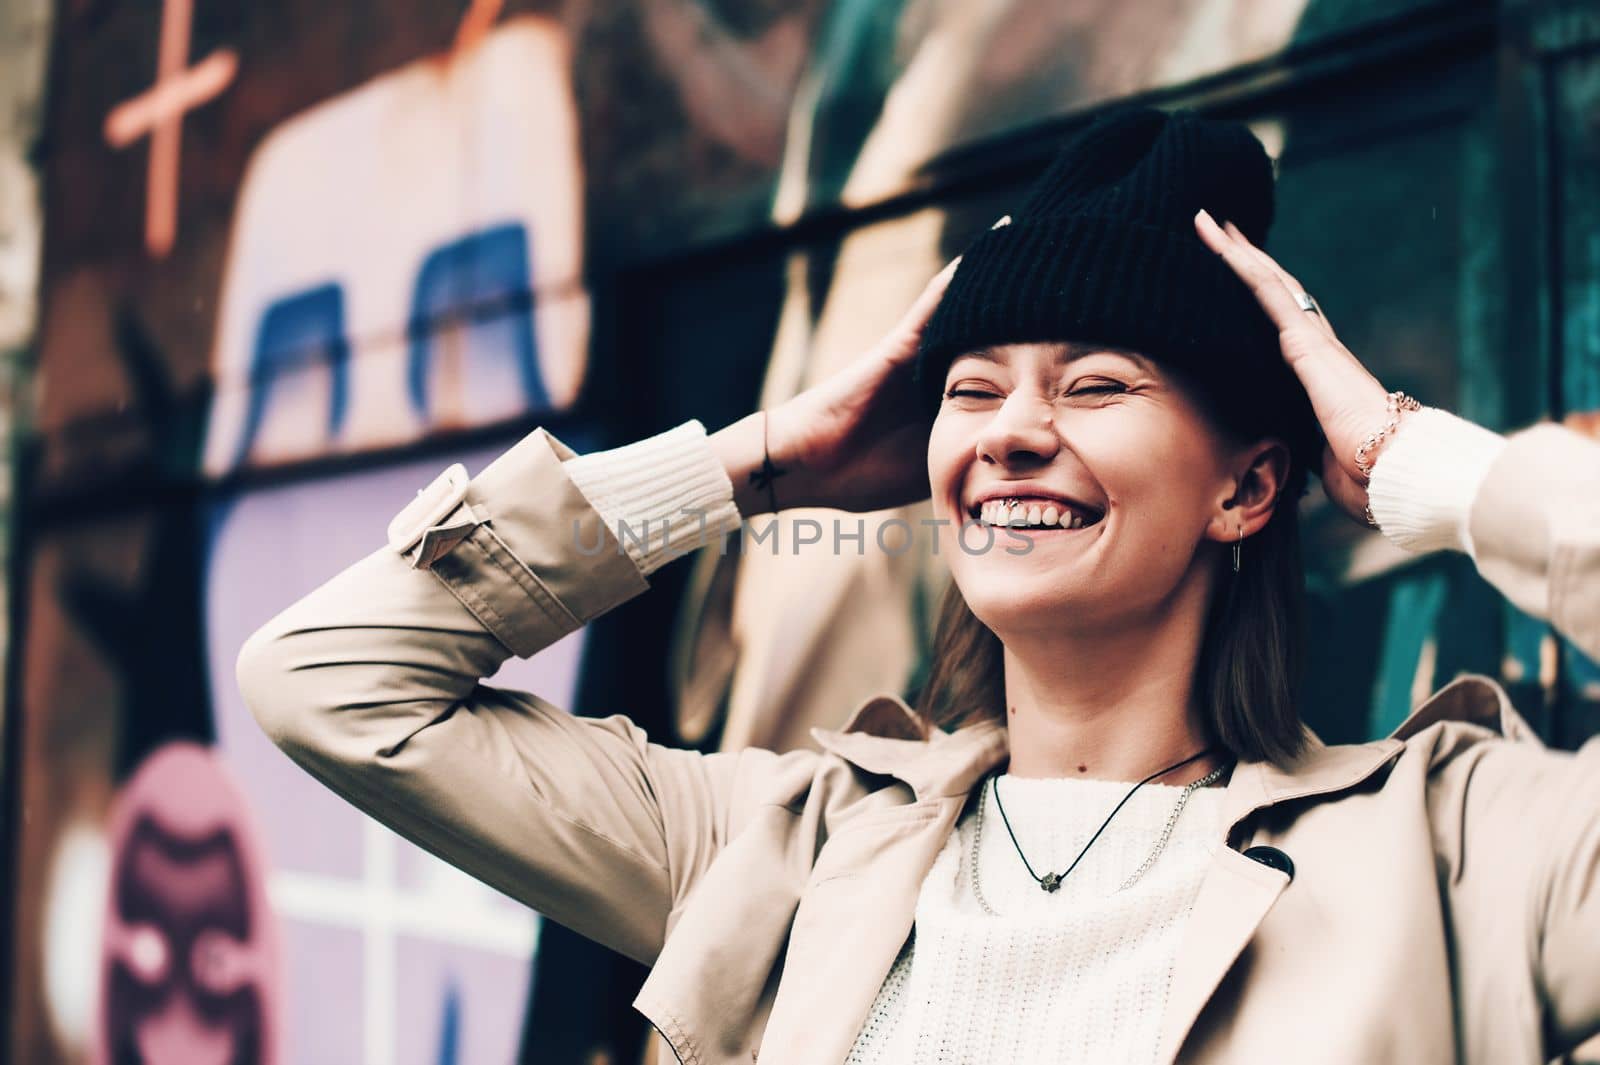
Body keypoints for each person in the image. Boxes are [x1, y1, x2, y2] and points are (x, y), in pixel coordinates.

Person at [237, 106, 1600, 1064]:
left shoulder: (1457, 852)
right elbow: (333, 681)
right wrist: (759, 460)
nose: (1011, 427)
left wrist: (1415, 465)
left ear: (1246, 488)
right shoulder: (787, 850)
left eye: (1096, 383)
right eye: (970, 388)